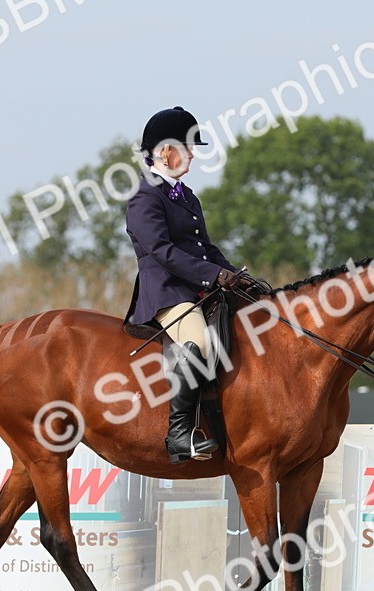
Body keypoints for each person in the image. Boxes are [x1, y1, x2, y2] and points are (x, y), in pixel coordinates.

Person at [123, 106, 257, 464]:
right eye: (187, 147)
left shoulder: (186, 196)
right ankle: (180, 433)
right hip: (167, 293)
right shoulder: (145, 197)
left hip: (199, 289)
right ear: (165, 151)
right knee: (197, 341)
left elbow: (206, 247)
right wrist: (213, 276)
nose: (193, 155)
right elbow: (163, 251)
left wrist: (235, 275)